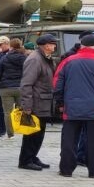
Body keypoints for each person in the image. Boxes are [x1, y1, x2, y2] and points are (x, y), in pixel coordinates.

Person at [53, 33, 94, 178]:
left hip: (71, 107)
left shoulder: (68, 61)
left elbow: (57, 84)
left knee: (69, 140)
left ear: (81, 45)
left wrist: (61, 102)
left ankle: (66, 170)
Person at [17, 33, 58, 171]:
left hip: (44, 101)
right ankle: (25, 160)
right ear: (46, 45)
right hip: (35, 103)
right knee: (31, 134)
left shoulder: (46, 58)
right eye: (53, 43)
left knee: (39, 133)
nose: (55, 46)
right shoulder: (35, 59)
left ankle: (32, 156)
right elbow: (26, 84)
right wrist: (27, 106)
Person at [0, 37, 28, 139]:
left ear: (11, 46)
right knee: (23, 110)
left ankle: (10, 134)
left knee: (7, 112)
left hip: (6, 88)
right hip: (21, 87)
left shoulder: (5, 58)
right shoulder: (25, 58)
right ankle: (24, 131)